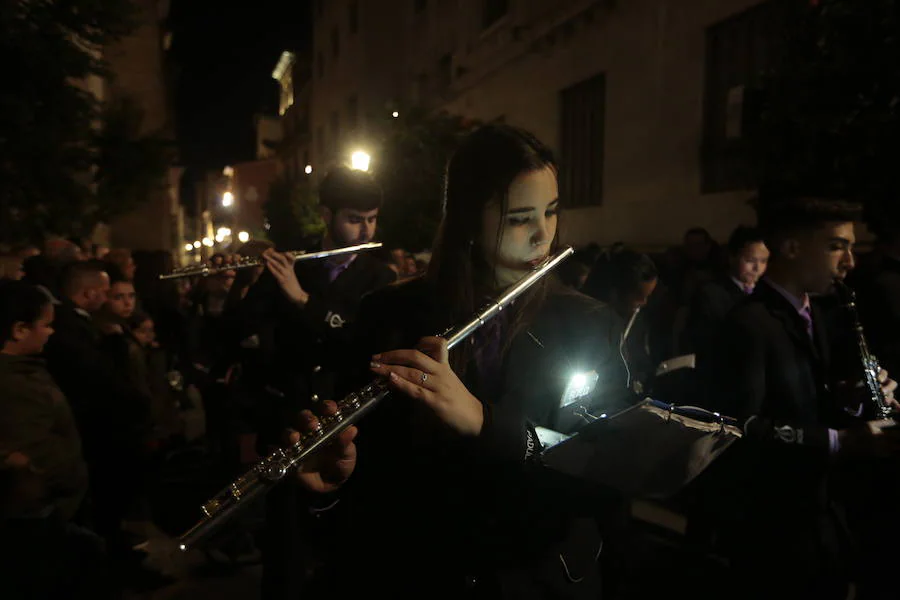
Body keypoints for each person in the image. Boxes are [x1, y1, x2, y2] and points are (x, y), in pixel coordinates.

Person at [289, 124, 632, 599]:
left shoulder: (590, 324)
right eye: (518, 219)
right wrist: (332, 487)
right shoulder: (389, 314)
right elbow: (375, 487)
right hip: (416, 576)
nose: (543, 236)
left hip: (535, 581)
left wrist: (484, 422)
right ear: (469, 219)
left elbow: (603, 474)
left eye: (551, 212)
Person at [706, 192, 900, 599]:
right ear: (792, 248)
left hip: (817, 516)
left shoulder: (817, 313)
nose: (850, 262)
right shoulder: (748, 324)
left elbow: (804, 399)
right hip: (773, 530)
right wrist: (838, 441)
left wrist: (854, 399)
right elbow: (736, 427)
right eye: (836, 247)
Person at [239, 166, 396, 599]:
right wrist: (244, 277)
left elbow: (355, 343)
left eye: (372, 218)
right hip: (286, 415)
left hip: (344, 419)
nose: (365, 228)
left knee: (343, 538)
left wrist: (302, 300)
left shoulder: (379, 277)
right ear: (326, 215)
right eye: (354, 218)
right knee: (284, 539)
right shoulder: (290, 262)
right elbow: (245, 330)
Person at [681, 225, 769, 359]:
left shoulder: (767, 292)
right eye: (750, 260)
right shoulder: (710, 294)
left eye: (763, 261)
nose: (757, 268)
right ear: (732, 257)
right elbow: (703, 343)